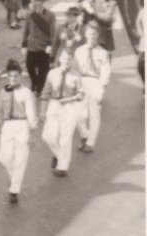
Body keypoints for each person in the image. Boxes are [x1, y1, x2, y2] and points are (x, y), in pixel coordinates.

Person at [0, 60, 37, 204]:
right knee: (4, 157)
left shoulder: (27, 93)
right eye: (10, 77)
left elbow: (32, 115)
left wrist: (32, 134)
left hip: (22, 125)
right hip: (8, 126)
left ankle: (14, 190)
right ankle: (14, 179)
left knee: (20, 159)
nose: (13, 79)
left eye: (16, 76)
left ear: (21, 76)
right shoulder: (3, 91)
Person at [39, 49, 84, 177]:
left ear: (72, 61)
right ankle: (60, 156)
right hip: (54, 105)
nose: (66, 62)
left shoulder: (76, 75)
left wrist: (75, 98)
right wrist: (42, 110)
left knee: (65, 138)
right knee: (48, 136)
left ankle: (63, 167)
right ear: (60, 59)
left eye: (69, 59)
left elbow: (81, 94)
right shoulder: (52, 74)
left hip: (69, 108)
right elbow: (45, 93)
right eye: (64, 59)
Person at [74, 22, 111, 153]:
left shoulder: (103, 53)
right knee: (78, 115)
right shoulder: (79, 51)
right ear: (85, 34)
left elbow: (105, 73)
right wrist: (75, 86)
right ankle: (84, 135)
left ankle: (90, 143)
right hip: (82, 82)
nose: (92, 37)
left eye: (94, 35)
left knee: (94, 115)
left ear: (98, 35)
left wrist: (101, 90)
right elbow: (75, 70)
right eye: (90, 34)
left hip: (95, 83)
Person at [22, 0, 56, 96]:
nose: (38, 3)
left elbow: (52, 32)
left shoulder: (50, 15)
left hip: (44, 46)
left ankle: (40, 88)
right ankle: (34, 82)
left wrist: (50, 44)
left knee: (43, 70)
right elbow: (26, 31)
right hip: (32, 45)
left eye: (40, 1)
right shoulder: (30, 14)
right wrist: (24, 44)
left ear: (43, 2)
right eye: (36, 1)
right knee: (29, 67)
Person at [138, 4, 145, 84]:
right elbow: (137, 22)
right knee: (140, 67)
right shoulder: (143, 11)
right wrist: (141, 33)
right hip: (144, 43)